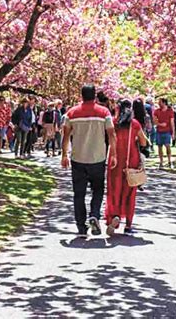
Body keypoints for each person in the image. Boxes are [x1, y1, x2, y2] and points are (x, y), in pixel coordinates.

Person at [62, 84, 117, 237]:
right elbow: (112, 134)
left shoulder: (71, 113)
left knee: (78, 193)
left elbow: (65, 135)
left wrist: (64, 155)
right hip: (97, 158)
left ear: (81, 95)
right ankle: (94, 215)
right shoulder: (104, 112)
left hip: (78, 158)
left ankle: (81, 226)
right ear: (94, 96)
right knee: (98, 190)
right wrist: (113, 154)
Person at [106, 99, 147, 236]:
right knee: (130, 192)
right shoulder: (134, 124)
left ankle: (114, 216)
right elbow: (143, 142)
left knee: (114, 189)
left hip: (115, 159)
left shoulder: (113, 122)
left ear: (118, 108)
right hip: (131, 160)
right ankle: (128, 224)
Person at [153, 97, 175, 169]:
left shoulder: (170, 111)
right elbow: (154, 121)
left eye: (160, 102)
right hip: (159, 131)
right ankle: (161, 162)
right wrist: (160, 124)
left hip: (167, 131)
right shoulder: (157, 111)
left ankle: (169, 161)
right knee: (159, 147)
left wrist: (173, 133)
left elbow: (172, 122)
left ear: (164, 102)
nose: (159, 103)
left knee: (167, 146)